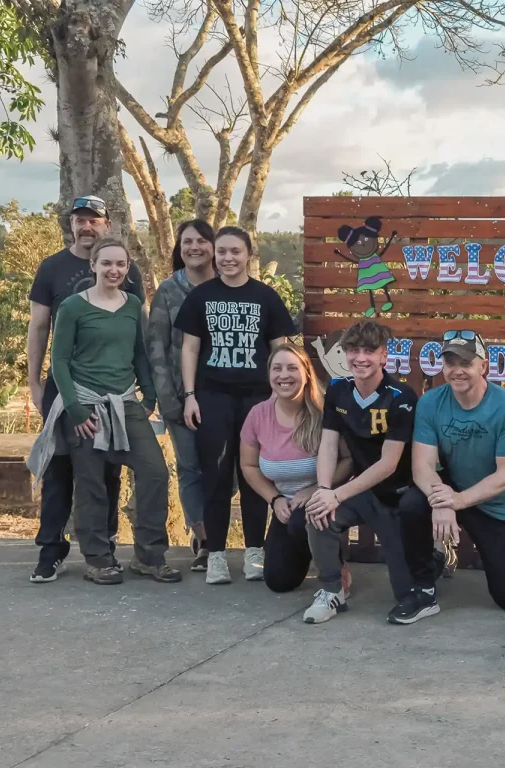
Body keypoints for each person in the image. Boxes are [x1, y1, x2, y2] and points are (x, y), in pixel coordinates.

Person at [26, 239, 178, 585]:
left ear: (127, 269)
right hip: (85, 404)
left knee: (155, 472)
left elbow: (139, 354)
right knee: (91, 483)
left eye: (120, 265)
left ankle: (150, 556)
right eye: (106, 263)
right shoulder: (73, 307)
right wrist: (76, 410)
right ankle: (98, 559)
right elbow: (60, 362)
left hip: (125, 402)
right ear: (93, 265)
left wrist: (150, 396)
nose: (114, 270)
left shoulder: (132, 304)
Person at [174, 226, 296, 585]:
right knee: (214, 475)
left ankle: (255, 552)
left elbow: (281, 350)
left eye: (235, 252)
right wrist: (190, 395)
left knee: (253, 475)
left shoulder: (266, 296)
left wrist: (278, 396)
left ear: (248, 255)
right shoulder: (201, 297)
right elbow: (190, 349)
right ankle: (215, 555)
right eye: (222, 252)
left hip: (258, 398)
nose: (228, 258)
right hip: (212, 397)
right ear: (215, 255)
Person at [398, 330, 505, 621]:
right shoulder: (431, 402)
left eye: (466, 362)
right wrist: (443, 502)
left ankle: (446, 554)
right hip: (450, 490)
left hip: (497, 503)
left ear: (482, 366)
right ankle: (424, 587)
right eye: (450, 362)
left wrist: (456, 502)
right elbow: (422, 466)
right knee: (411, 504)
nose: (457, 370)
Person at [300, 321, 420, 624]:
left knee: (406, 593)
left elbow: (388, 463)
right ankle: (331, 590)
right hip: (363, 492)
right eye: (353, 350)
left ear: (383, 356)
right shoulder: (339, 390)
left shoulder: (401, 396)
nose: (360, 358)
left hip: (400, 495)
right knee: (318, 514)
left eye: (369, 350)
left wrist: (336, 494)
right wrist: (325, 491)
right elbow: (328, 444)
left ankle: (429, 557)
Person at [238, 343, 355, 608]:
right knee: (279, 581)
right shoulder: (258, 415)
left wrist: (315, 489)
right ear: (269, 375)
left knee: (302, 518)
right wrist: (275, 498)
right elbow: (249, 466)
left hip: (327, 500)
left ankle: (335, 565)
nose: (284, 375)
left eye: (292, 368)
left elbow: (349, 460)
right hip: (286, 507)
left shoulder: (325, 411)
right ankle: (313, 552)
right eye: (277, 368)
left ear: (306, 373)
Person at [147, 219, 215, 573]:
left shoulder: (227, 286)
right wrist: (166, 397)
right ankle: (204, 539)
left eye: (202, 241)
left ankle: (213, 528)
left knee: (227, 470)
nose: (194, 247)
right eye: (187, 241)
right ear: (179, 247)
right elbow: (155, 345)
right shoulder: (168, 291)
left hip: (224, 397)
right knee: (190, 469)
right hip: (178, 396)